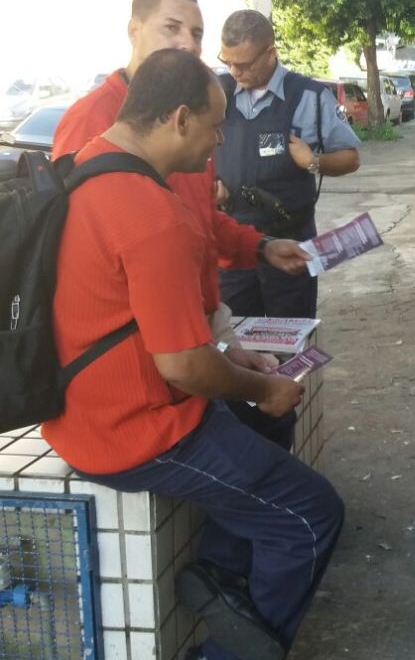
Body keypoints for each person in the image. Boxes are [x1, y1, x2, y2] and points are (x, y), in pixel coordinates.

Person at [45, 49, 344, 659]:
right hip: (133, 431)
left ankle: (218, 576)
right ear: (180, 118)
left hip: (80, 411)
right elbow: (183, 365)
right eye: (214, 125)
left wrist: (232, 353)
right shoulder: (150, 213)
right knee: (311, 514)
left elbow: (153, 319)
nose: (219, 141)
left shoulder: (90, 165)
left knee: (261, 434)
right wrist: (264, 387)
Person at [52, 0, 310, 454]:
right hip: (143, 368)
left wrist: (260, 247)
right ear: (134, 30)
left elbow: (202, 220)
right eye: (171, 28)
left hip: (196, 333)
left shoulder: (193, 115)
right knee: (262, 445)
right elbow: (72, 253)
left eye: (196, 33)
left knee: (272, 423)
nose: (187, 43)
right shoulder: (93, 120)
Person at [215, 10, 361, 320]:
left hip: (291, 245)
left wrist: (314, 162)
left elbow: (350, 158)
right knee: (236, 337)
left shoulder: (309, 97)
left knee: (292, 337)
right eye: (228, 62)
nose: (235, 72)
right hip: (234, 246)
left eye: (244, 64)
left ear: (270, 53)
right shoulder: (217, 93)